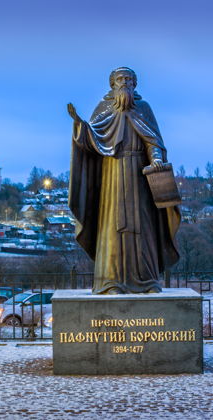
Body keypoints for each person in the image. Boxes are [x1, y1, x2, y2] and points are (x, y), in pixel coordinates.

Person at [67, 67, 181, 294]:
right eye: (121, 79)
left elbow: (154, 141)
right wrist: (79, 125)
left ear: (135, 84)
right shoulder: (104, 108)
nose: (125, 82)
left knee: (143, 226)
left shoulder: (143, 108)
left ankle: (147, 281)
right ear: (112, 84)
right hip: (112, 174)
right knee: (113, 227)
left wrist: (156, 158)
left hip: (140, 176)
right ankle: (111, 283)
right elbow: (93, 140)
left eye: (129, 79)